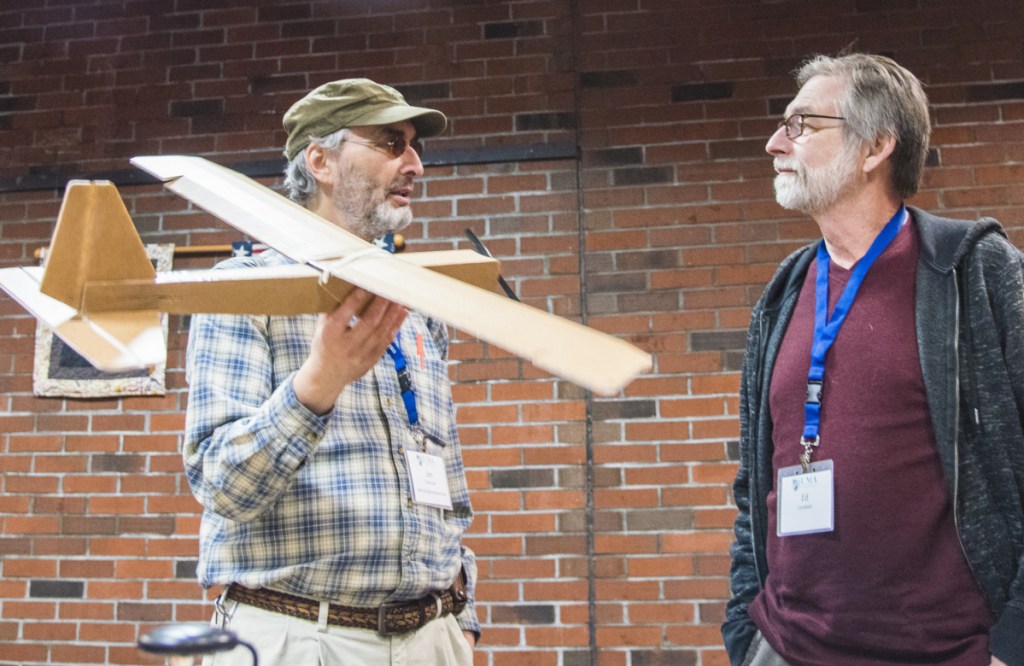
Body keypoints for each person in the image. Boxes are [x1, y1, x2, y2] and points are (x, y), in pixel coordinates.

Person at [722, 53, 1024, 666]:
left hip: (948, 652)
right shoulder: (784, 293)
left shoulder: (974, 272)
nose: (775, 142)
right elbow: (755, 481)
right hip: (785, 647)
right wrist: (743, 624)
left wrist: (1014, 640)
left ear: (876, 146)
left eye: (802, 124)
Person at [183, 78, 479, 665]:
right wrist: (318, 381)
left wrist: (460, 618)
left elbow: (443, 481)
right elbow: (220, 485)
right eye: (392, 144)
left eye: (416, 147)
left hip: (433, 637)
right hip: (298, 639)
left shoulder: (417, 303)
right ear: (320, 160)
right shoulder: (241, 290)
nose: (416, 164)